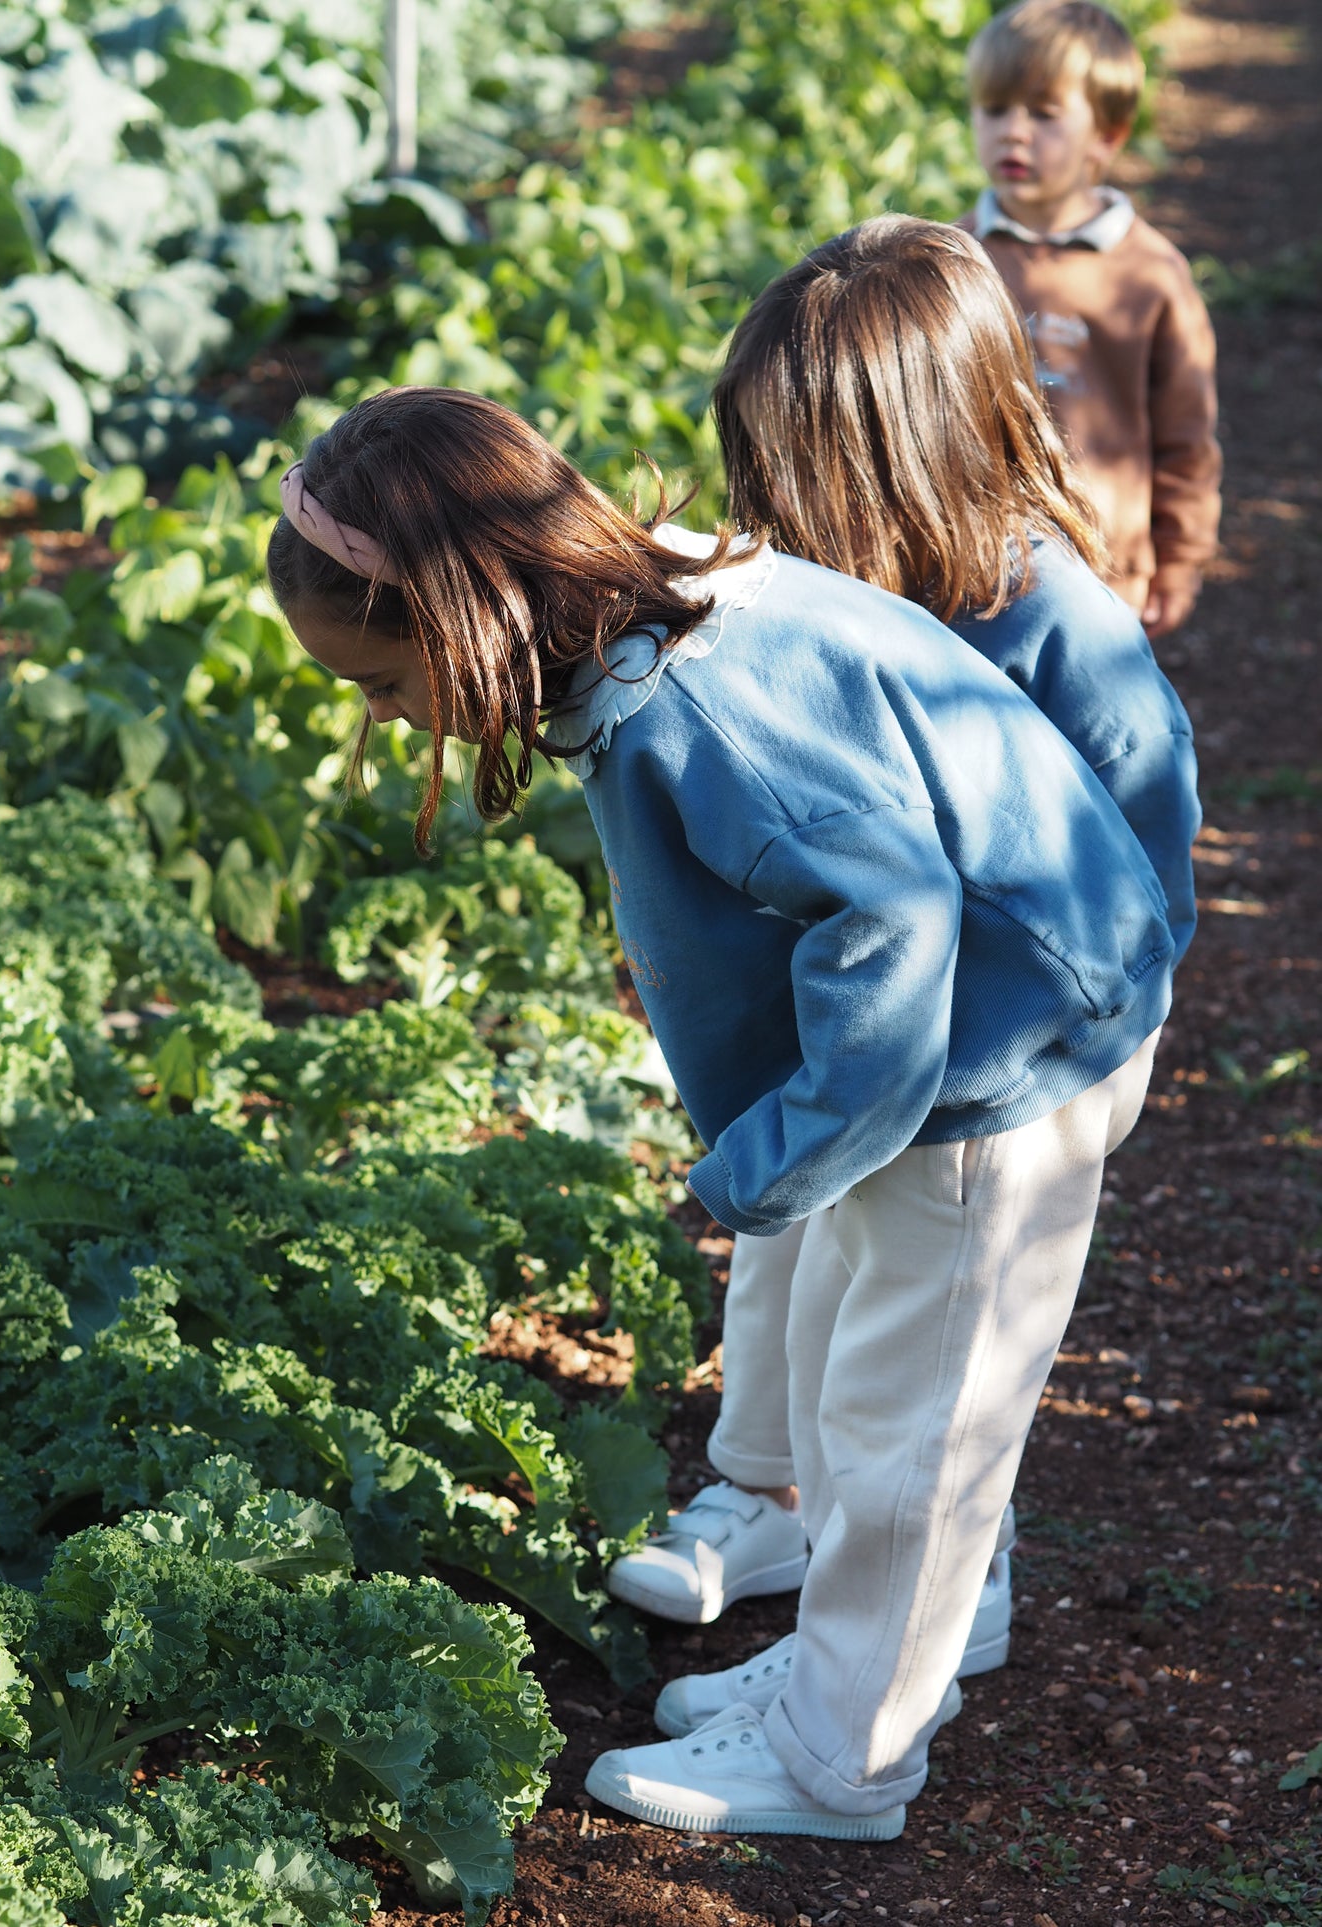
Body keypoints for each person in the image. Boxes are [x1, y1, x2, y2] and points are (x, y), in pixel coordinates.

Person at [269, 382, 1178, 1838]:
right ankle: (841, 1673)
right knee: (862, 1392)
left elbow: (890, 918)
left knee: (911, 1433)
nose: (386, 717)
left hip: (993, 1056)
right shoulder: (663, 598)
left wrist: (786, 1148)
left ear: (465, 616)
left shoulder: (692, 709)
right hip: (963, 1039)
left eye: (382, 684)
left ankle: (840, 1763)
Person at [604, 217, 1201, 1719]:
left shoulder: (1060, 623)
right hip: (877, 1038)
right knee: (797, 1244)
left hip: (1008, 1058)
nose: (760, 508)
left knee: (933, 1342)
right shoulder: (821, 595)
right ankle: (768, 1492)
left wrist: (1080, 1045)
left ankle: (952, 1588)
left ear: (903, 460)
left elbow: (1137, 859)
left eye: (785, 477)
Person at [960, 0, 1221, 637]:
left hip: (1106, 567)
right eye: (995, 111)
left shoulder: (1150, 274)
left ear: (1106, 136)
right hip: (978, 563)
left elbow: (1185, 434)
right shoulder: (953, 258)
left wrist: (1180, 558)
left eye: (1044, 116)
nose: (1014, 133)